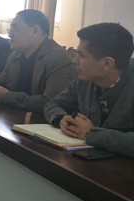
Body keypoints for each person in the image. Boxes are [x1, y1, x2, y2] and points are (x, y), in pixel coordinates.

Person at [44, 23, 134, 158]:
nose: (75, 60)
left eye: (81, 55)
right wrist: (61, 119)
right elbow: (53, 104)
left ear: (107, 64)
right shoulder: (85, 80)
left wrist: (90, 134)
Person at [0, 9, 77, 113]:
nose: (10, 35)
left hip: (42, 120)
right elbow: (1, 79)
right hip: (16, 115)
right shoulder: (16, 54)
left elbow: (52, 103)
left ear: (34, 31)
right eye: (10, 29)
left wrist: (7, 96)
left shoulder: (58, 58)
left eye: (15, 28)